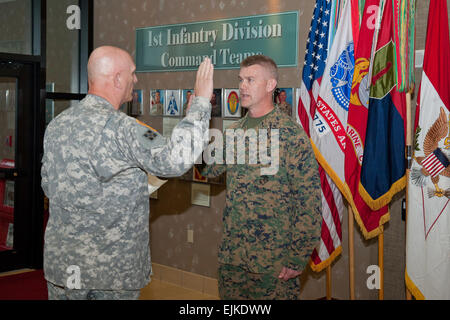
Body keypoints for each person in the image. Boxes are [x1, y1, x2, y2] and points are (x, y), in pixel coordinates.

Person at [41, 46, 214, 300]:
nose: (135, 79)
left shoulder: (57, 125)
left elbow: (49, 186)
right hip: (110, 274)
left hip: (64, 268)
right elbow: (174, 159)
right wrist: (199, 104)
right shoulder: (124, 128)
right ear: (117, 78)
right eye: (132, 73)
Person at [201, 55, 321, 300]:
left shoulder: (291, 136)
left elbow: (309, 203)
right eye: (241, 79)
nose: (242, 86)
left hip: (273, 263)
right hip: (233, 258)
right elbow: (207, 169)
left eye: (250, 80)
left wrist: (297, 257)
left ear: (270, 85)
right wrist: (196, 120)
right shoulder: (233, 133)